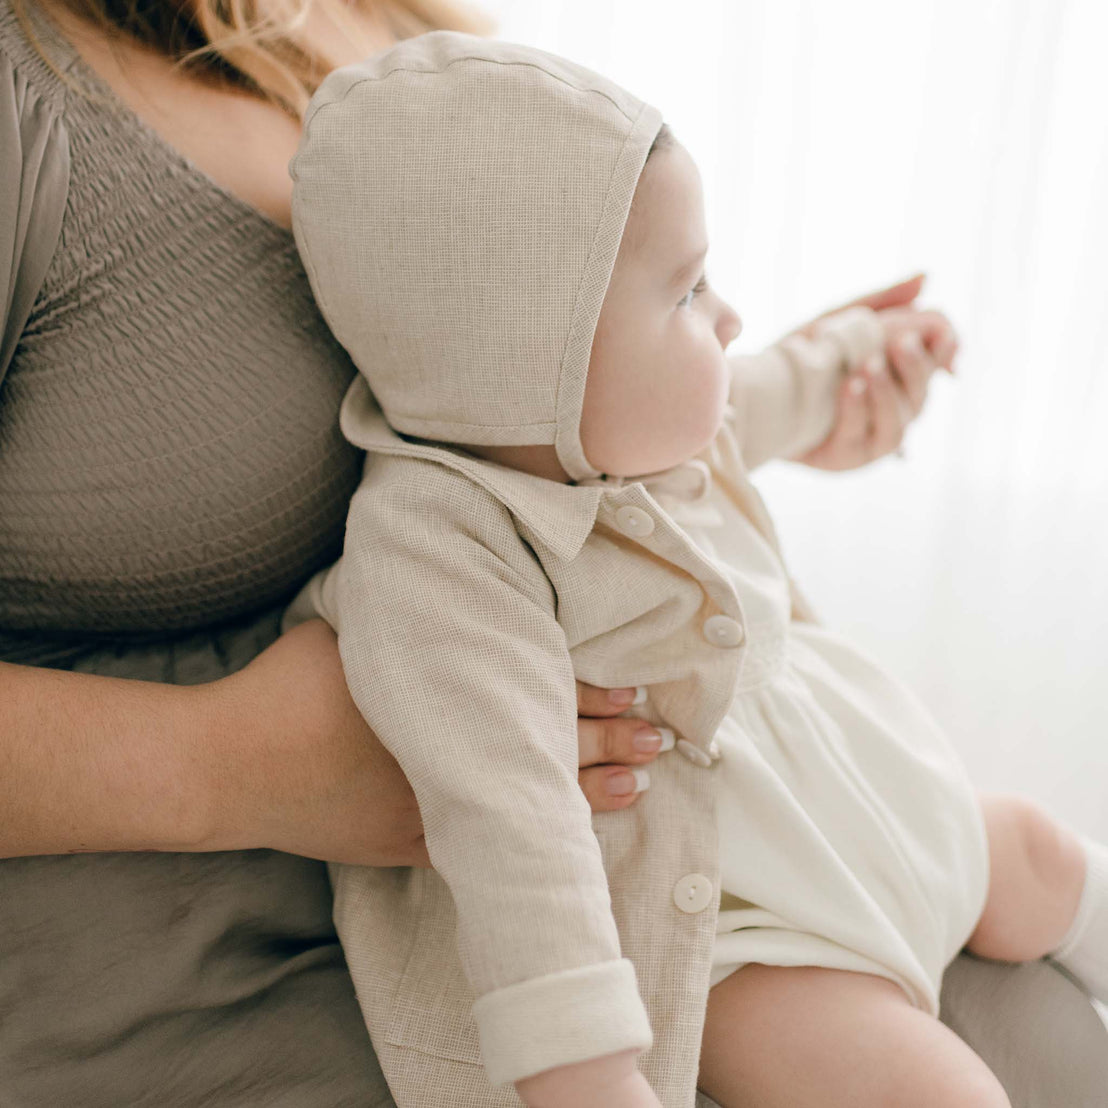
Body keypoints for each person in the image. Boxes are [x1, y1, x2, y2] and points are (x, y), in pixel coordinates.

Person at [0, 1, 1104, 1106]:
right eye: (692, 292)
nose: (727, 319)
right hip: (710, 911)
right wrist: (584, 1069)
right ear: (537, 374)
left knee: (1049, 860)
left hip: (836, 800)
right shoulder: (439, 550)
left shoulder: (394, 52)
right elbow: (521, 851)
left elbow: (746, 393)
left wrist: (838, 364)